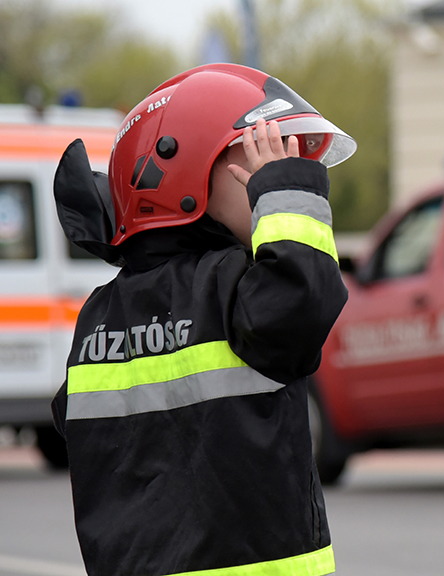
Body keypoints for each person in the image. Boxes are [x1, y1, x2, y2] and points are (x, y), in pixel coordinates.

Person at [49, 63, 355, 576]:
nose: (273, 177)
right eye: (260, 158)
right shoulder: (235, 285)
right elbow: (304, 303)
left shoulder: (98, 318)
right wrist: (288, 194)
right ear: (184, 175)